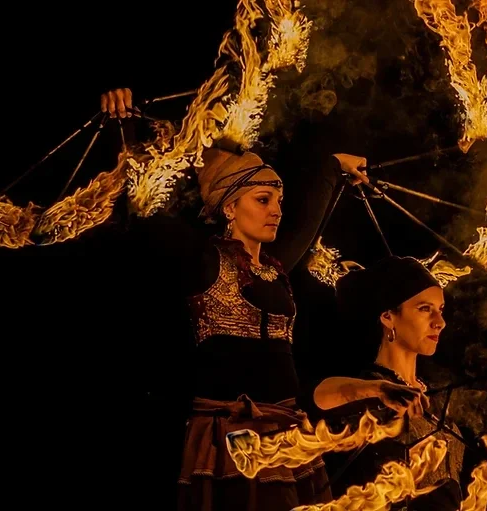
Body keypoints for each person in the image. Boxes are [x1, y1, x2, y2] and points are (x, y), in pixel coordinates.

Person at [99, 90, 429, 511]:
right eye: (263, 200)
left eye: (279, 201)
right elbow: (141, 208)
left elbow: (306, 225)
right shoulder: (204, 261)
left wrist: (334, 166)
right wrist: (124, 128)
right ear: (229, 207)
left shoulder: (275, 270)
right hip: (232, 440)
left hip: (287, 435)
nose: (276, 210)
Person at [305, 255, 466, 510]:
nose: (440, 322)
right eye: (425, 309)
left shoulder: (437, 398)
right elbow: (316, 398)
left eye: (441, 309)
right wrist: (379, 390)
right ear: (388, 317)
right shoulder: (368, 391)